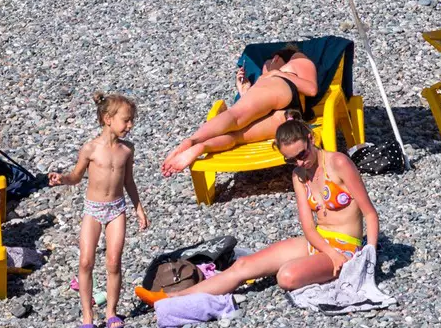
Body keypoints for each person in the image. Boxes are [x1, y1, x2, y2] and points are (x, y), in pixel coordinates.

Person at [142, 118, 379, 303]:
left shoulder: (338, 163)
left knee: (286, 276)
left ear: (311, 138)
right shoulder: (299, 175)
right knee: (243, 266)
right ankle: (171, 298)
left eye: (302, 154)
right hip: (320, 241)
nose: (299, 162)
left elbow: (369, 212)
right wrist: (327, 250)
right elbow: (308, 227)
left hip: (346, 245)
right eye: (291, 160)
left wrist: (369, 256)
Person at [49, 94, 149, 328]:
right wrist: (63, 179)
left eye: (131, 120)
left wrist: (139, 209)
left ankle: (111, 312)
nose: (130, 125)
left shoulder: (127, 150)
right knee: (86, 261)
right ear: (107, 119)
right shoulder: (91, 148)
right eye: (126, 120)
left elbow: (129, 182)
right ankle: (87, 315)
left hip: (117, 209)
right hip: (93, 209)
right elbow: (76, 177)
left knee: (114, 262)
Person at [160, 41, 316, 175]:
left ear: (276, 58)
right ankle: (200, 147)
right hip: (289, 116)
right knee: (236, 137)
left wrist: (274, 72)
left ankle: (192, 140)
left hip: (285, 92)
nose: (264, 69)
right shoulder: (275, 75)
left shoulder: (296, 59)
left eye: (266, 64)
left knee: (235, 116)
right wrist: (245, 91)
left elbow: (311, 89)